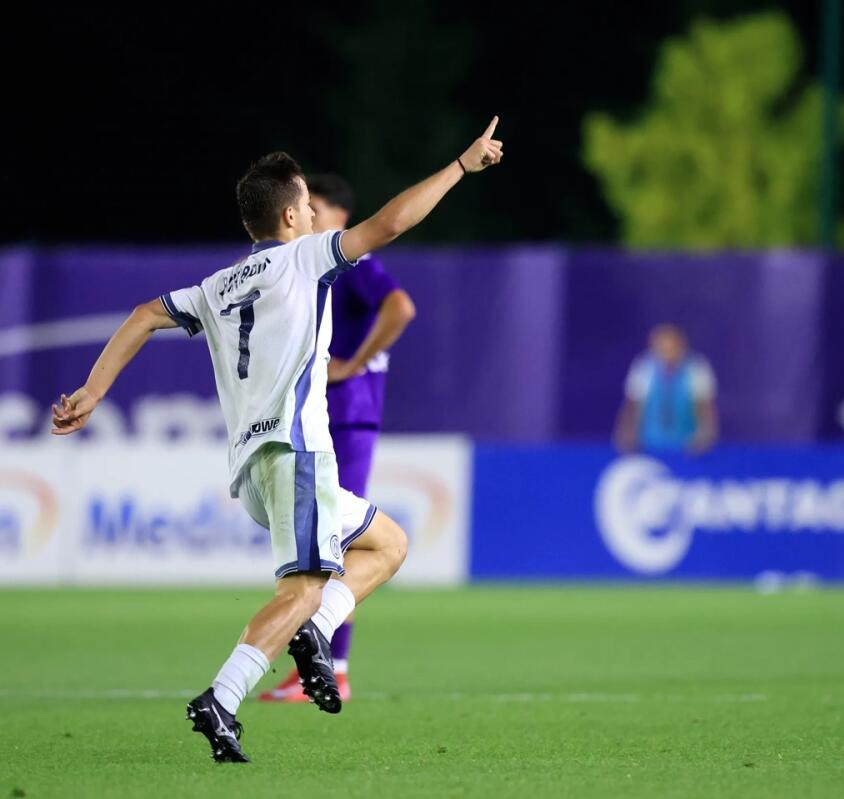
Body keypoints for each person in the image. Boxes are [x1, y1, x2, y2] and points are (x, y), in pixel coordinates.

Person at [50, 118, 504, 763]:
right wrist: (460, 166)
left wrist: (93, 392)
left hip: (256, 469)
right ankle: (223, 697)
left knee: (389, 543)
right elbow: (391, 224)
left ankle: (314, 635)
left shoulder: (217, 287)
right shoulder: (306, 257)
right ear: (293, 216)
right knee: (300, 591)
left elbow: (143, 314)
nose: (319, 217)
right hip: (297, 455)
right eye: (312, 208)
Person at [260, 174, 416, 704]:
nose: (306, 214)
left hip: (346, 414)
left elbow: (401, 307)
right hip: (335, 416)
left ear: (339, 217)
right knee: (328, 540)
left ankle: (333, 666)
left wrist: (351, 364)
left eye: (315, 207)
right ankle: (325, 662)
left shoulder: (355, 263)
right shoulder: (320, 266)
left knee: (337, 540)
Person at [614, 324, 718, 453]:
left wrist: (704, 437)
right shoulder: (644, 368)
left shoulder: (697, 369)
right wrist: (626, 435)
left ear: (682, 346)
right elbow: (632, 407)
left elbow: (704, 409)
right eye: (662, 348)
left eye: (672, 348)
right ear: (654, 347)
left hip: (687, 448)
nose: (668, 354)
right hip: (648, 446)